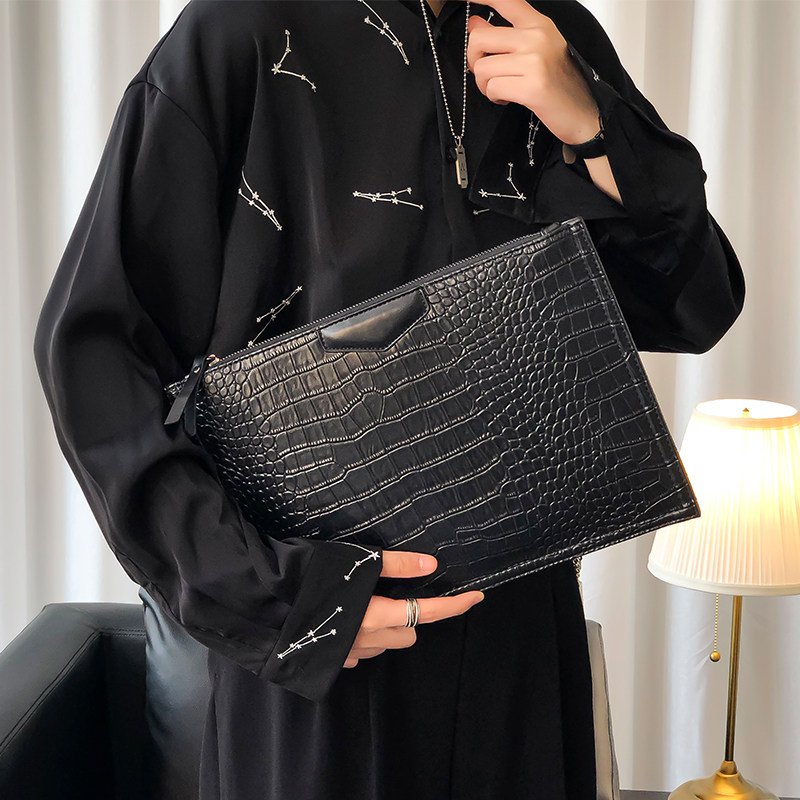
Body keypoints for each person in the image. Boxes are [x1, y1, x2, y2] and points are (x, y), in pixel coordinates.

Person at [32, 0, 745, 798]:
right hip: (325, 654)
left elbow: (693, 305)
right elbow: (96, 355)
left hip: (520, 628)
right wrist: (281, 602)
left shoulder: (547, 30)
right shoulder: (239, 30)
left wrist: (591, 126)